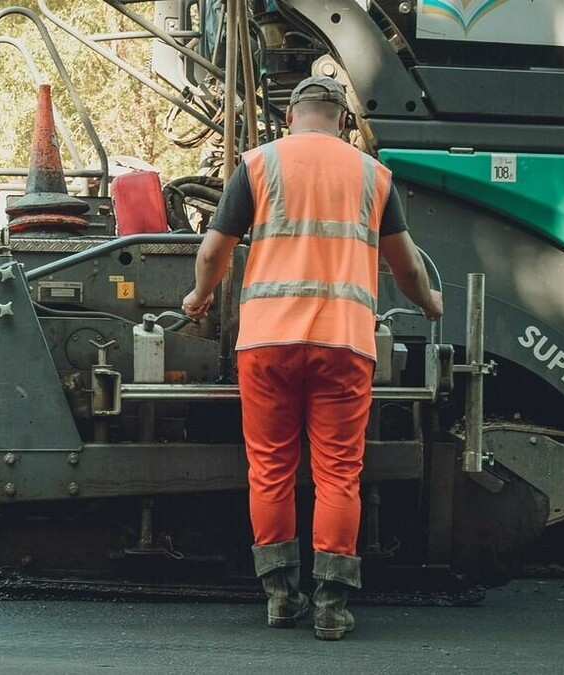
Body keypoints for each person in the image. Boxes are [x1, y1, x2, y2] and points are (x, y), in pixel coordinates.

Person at [181, 76, 443, 641]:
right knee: (338, 475)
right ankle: (331, 604)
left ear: (290, 118)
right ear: (343, 121)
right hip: (344, 344)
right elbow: (408, 270)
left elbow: (212, 252)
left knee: (271, 470)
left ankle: (280, 596)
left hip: (268, 344)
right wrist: (432, 304)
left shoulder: (256, 165)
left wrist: (199, 297)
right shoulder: (373, 175)